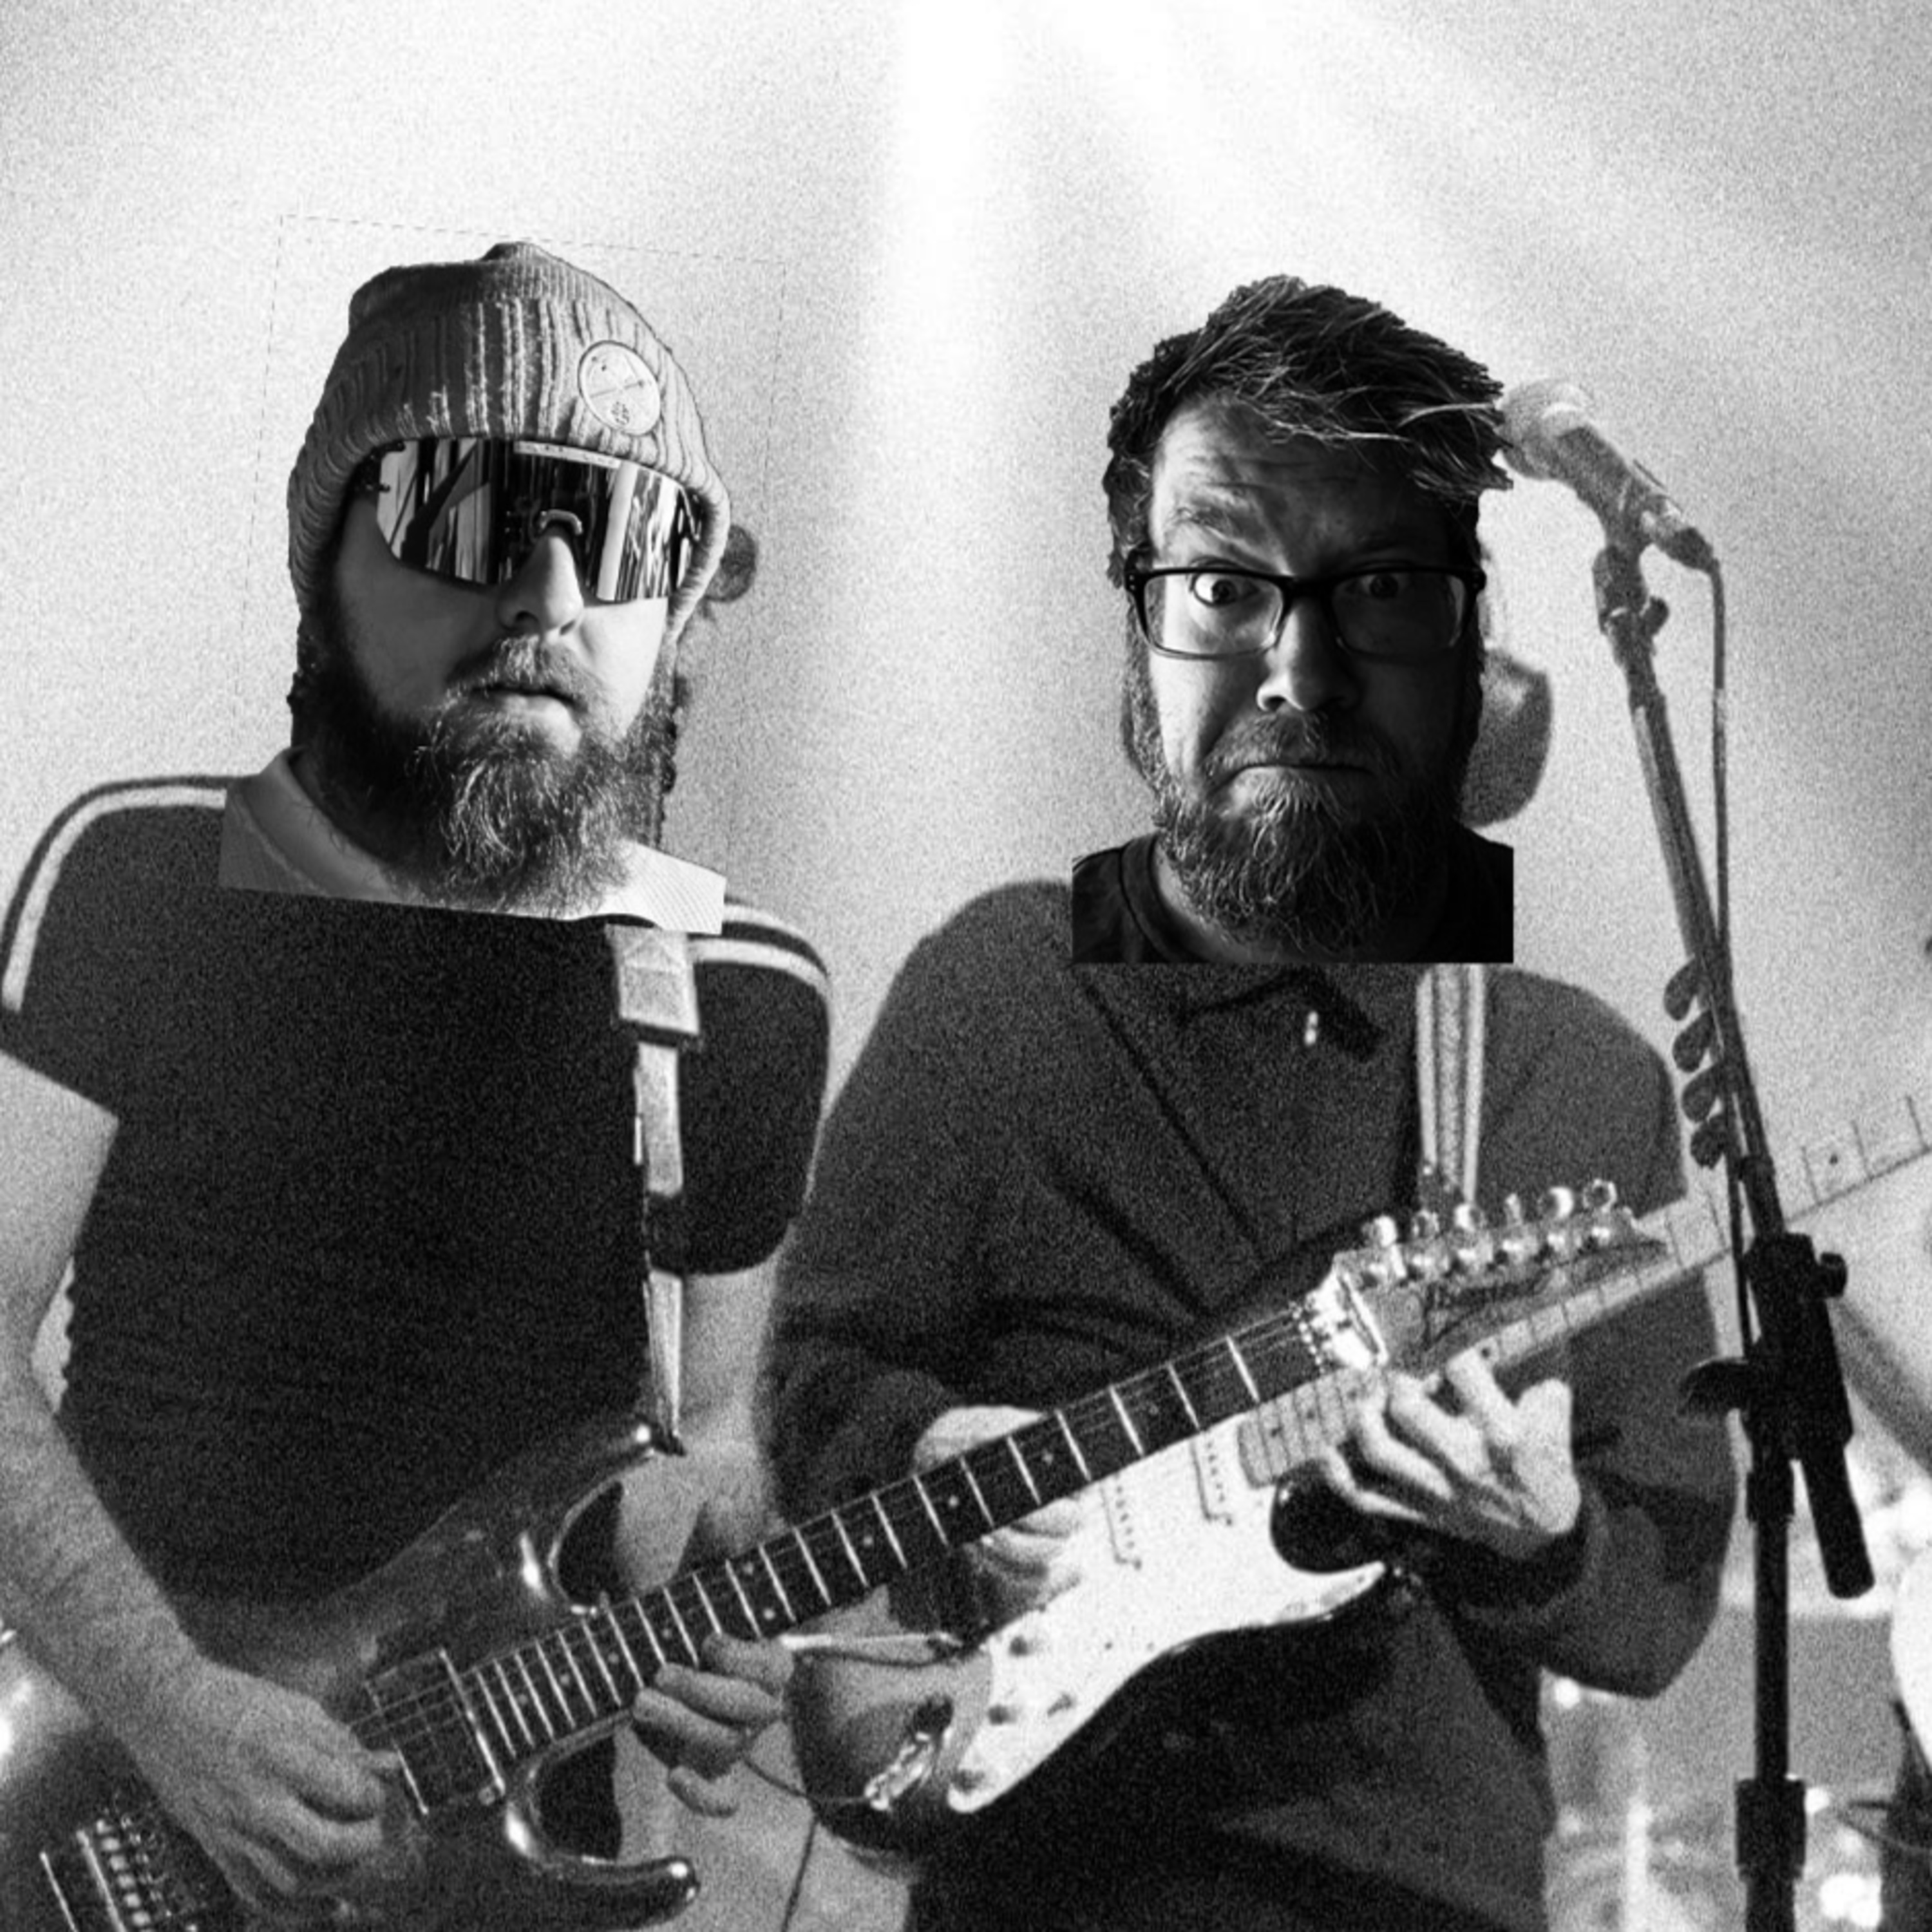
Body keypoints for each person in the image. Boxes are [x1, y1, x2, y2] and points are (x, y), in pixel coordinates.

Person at [762, 278, 1734, 1932]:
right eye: (1222, 586)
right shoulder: (1006, 981)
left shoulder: (1573, 1074)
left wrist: (1542, 1529)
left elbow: (1651, 1611)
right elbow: (813, 1392)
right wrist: (936, 1460)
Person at [0, 242, 826, 1923]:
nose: (549, 600)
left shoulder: (741, 991)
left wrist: (711, 1615)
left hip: (500, 1854)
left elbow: (715, 1438)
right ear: (334, 562)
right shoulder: (146, 875)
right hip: (109, 1809)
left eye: (627, 540)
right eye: (473, 516)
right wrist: (169, 1708)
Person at [1074, 276, 1516, 963]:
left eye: (1382, 587)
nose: (1304, 681)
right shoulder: (995, 977)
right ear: (1141, 644)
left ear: (1473, 653)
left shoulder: (1583, 995)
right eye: (1221, 588)